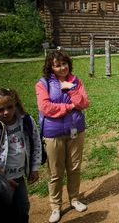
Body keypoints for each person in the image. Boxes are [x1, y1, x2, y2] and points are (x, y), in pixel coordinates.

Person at [35, 50, 90, 223]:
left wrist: (71, 89)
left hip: (76, 131)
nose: (62, 68)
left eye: (64, 64)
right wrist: (68, 107)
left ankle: (74, 199)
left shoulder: (76, 81)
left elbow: (84, 103)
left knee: (74, 168)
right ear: (50, 67)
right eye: (57, 65)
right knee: (56, 172)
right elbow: (46, 108)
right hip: (53, 133)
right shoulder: (43, 84)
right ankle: (55, 207)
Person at [0, 88, 42, 222]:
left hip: (19, 177)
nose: (6, 112)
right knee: (3, 212)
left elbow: (36, 142)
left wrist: (35, 167)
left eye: (10, 107)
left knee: (22, 208)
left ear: (15, 104)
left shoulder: (25, 121)